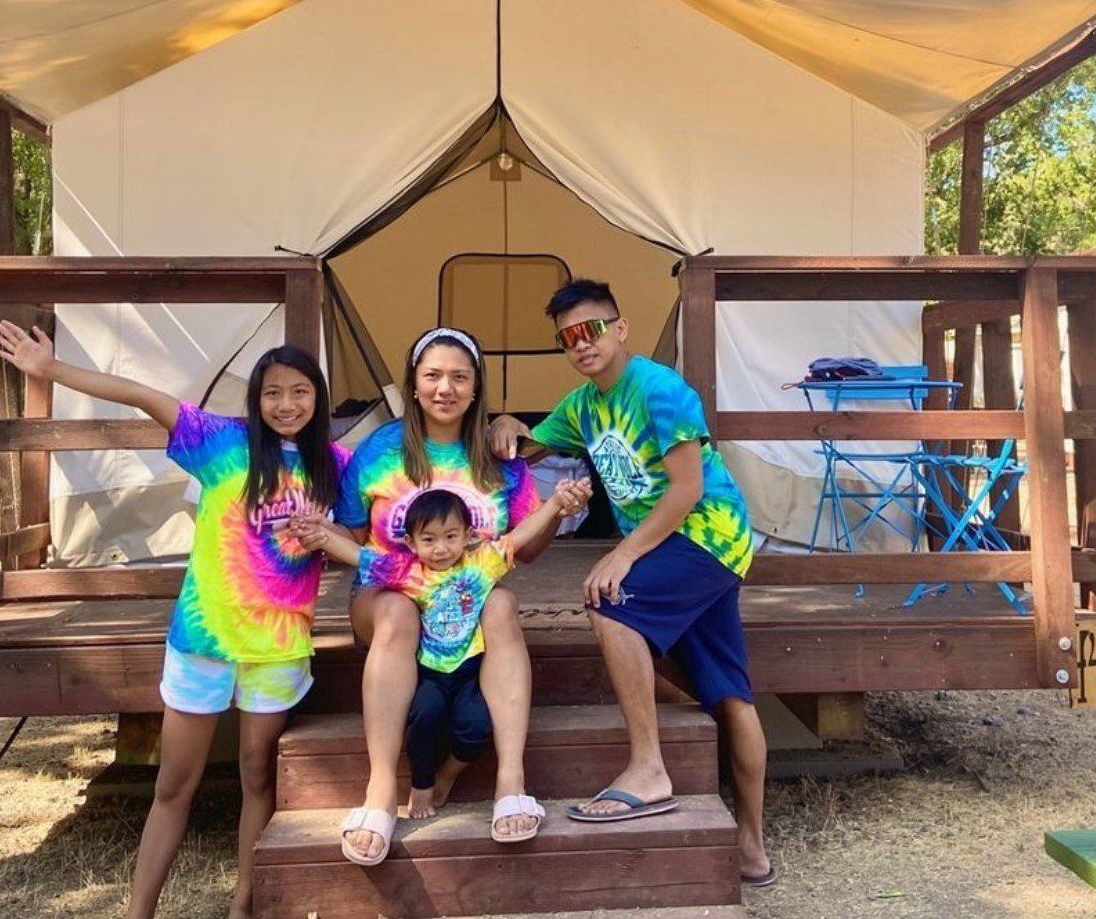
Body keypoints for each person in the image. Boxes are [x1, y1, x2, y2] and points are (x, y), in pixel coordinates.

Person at [0, 321, 348, 919]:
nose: (287, 405)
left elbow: (357, 535)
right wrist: (52, 371)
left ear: (318, 398)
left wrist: (327, 533)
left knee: (259, 777)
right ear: (256, 401)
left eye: (301, 392)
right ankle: (140, 913)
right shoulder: (222, 442)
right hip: (204, 638)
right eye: (273, 393)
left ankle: (243, 907)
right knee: (173, 785)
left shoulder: (337, 463)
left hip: (280, 645)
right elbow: (140, 394)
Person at [488, 280, 775, 889]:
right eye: (568, 337)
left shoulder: (660, 389)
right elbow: (529, 449)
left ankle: (648, 769)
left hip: (707, 537)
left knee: (609, 600)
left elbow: (687, 489)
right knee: (729, 691)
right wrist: (509, 425)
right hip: (678, 549)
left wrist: (621, 555)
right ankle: (751, 847)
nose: (581, 344)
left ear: (620, 328)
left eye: (591, 329)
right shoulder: (583, 405)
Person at [329, 327, 555, 864]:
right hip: (387, 597)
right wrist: (317, 537)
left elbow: (527, 551)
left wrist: (555, 507)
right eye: (432, 376)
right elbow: (354, 535)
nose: (444, 388)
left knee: (502, 602)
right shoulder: (382, 448)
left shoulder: (500, 455)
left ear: (477, 388)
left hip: (467, 604)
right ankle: (381, 789)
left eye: (459, 377)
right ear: (413, 384)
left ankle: (511, 782)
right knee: (398, 610)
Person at [297, 480, 589, 851]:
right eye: (429, 539)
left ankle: (451, 776)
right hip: (429, 672)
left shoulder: (482, 563)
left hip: (469, 670)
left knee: (477, 724)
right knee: (424, 715)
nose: (440, 548)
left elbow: (518, 536)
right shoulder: (407, 571)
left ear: (468, 536)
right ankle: (419, 783)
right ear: (411, 543)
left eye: (450, 536)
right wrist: (321, 536)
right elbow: (357, 555)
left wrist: (555, 505)